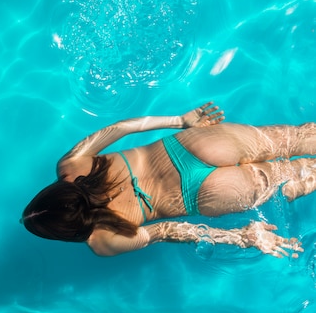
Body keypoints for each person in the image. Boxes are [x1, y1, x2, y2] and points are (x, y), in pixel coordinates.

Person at [21, 102, 312, 258]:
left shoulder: (101, 241)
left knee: (300, 175)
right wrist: (180, 120)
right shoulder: (71, 164)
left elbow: (167, 230)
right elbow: (121, 128)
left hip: (203, 194)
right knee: (296, 139)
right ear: (54, 190)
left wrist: (243, 238)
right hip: (190, 147)